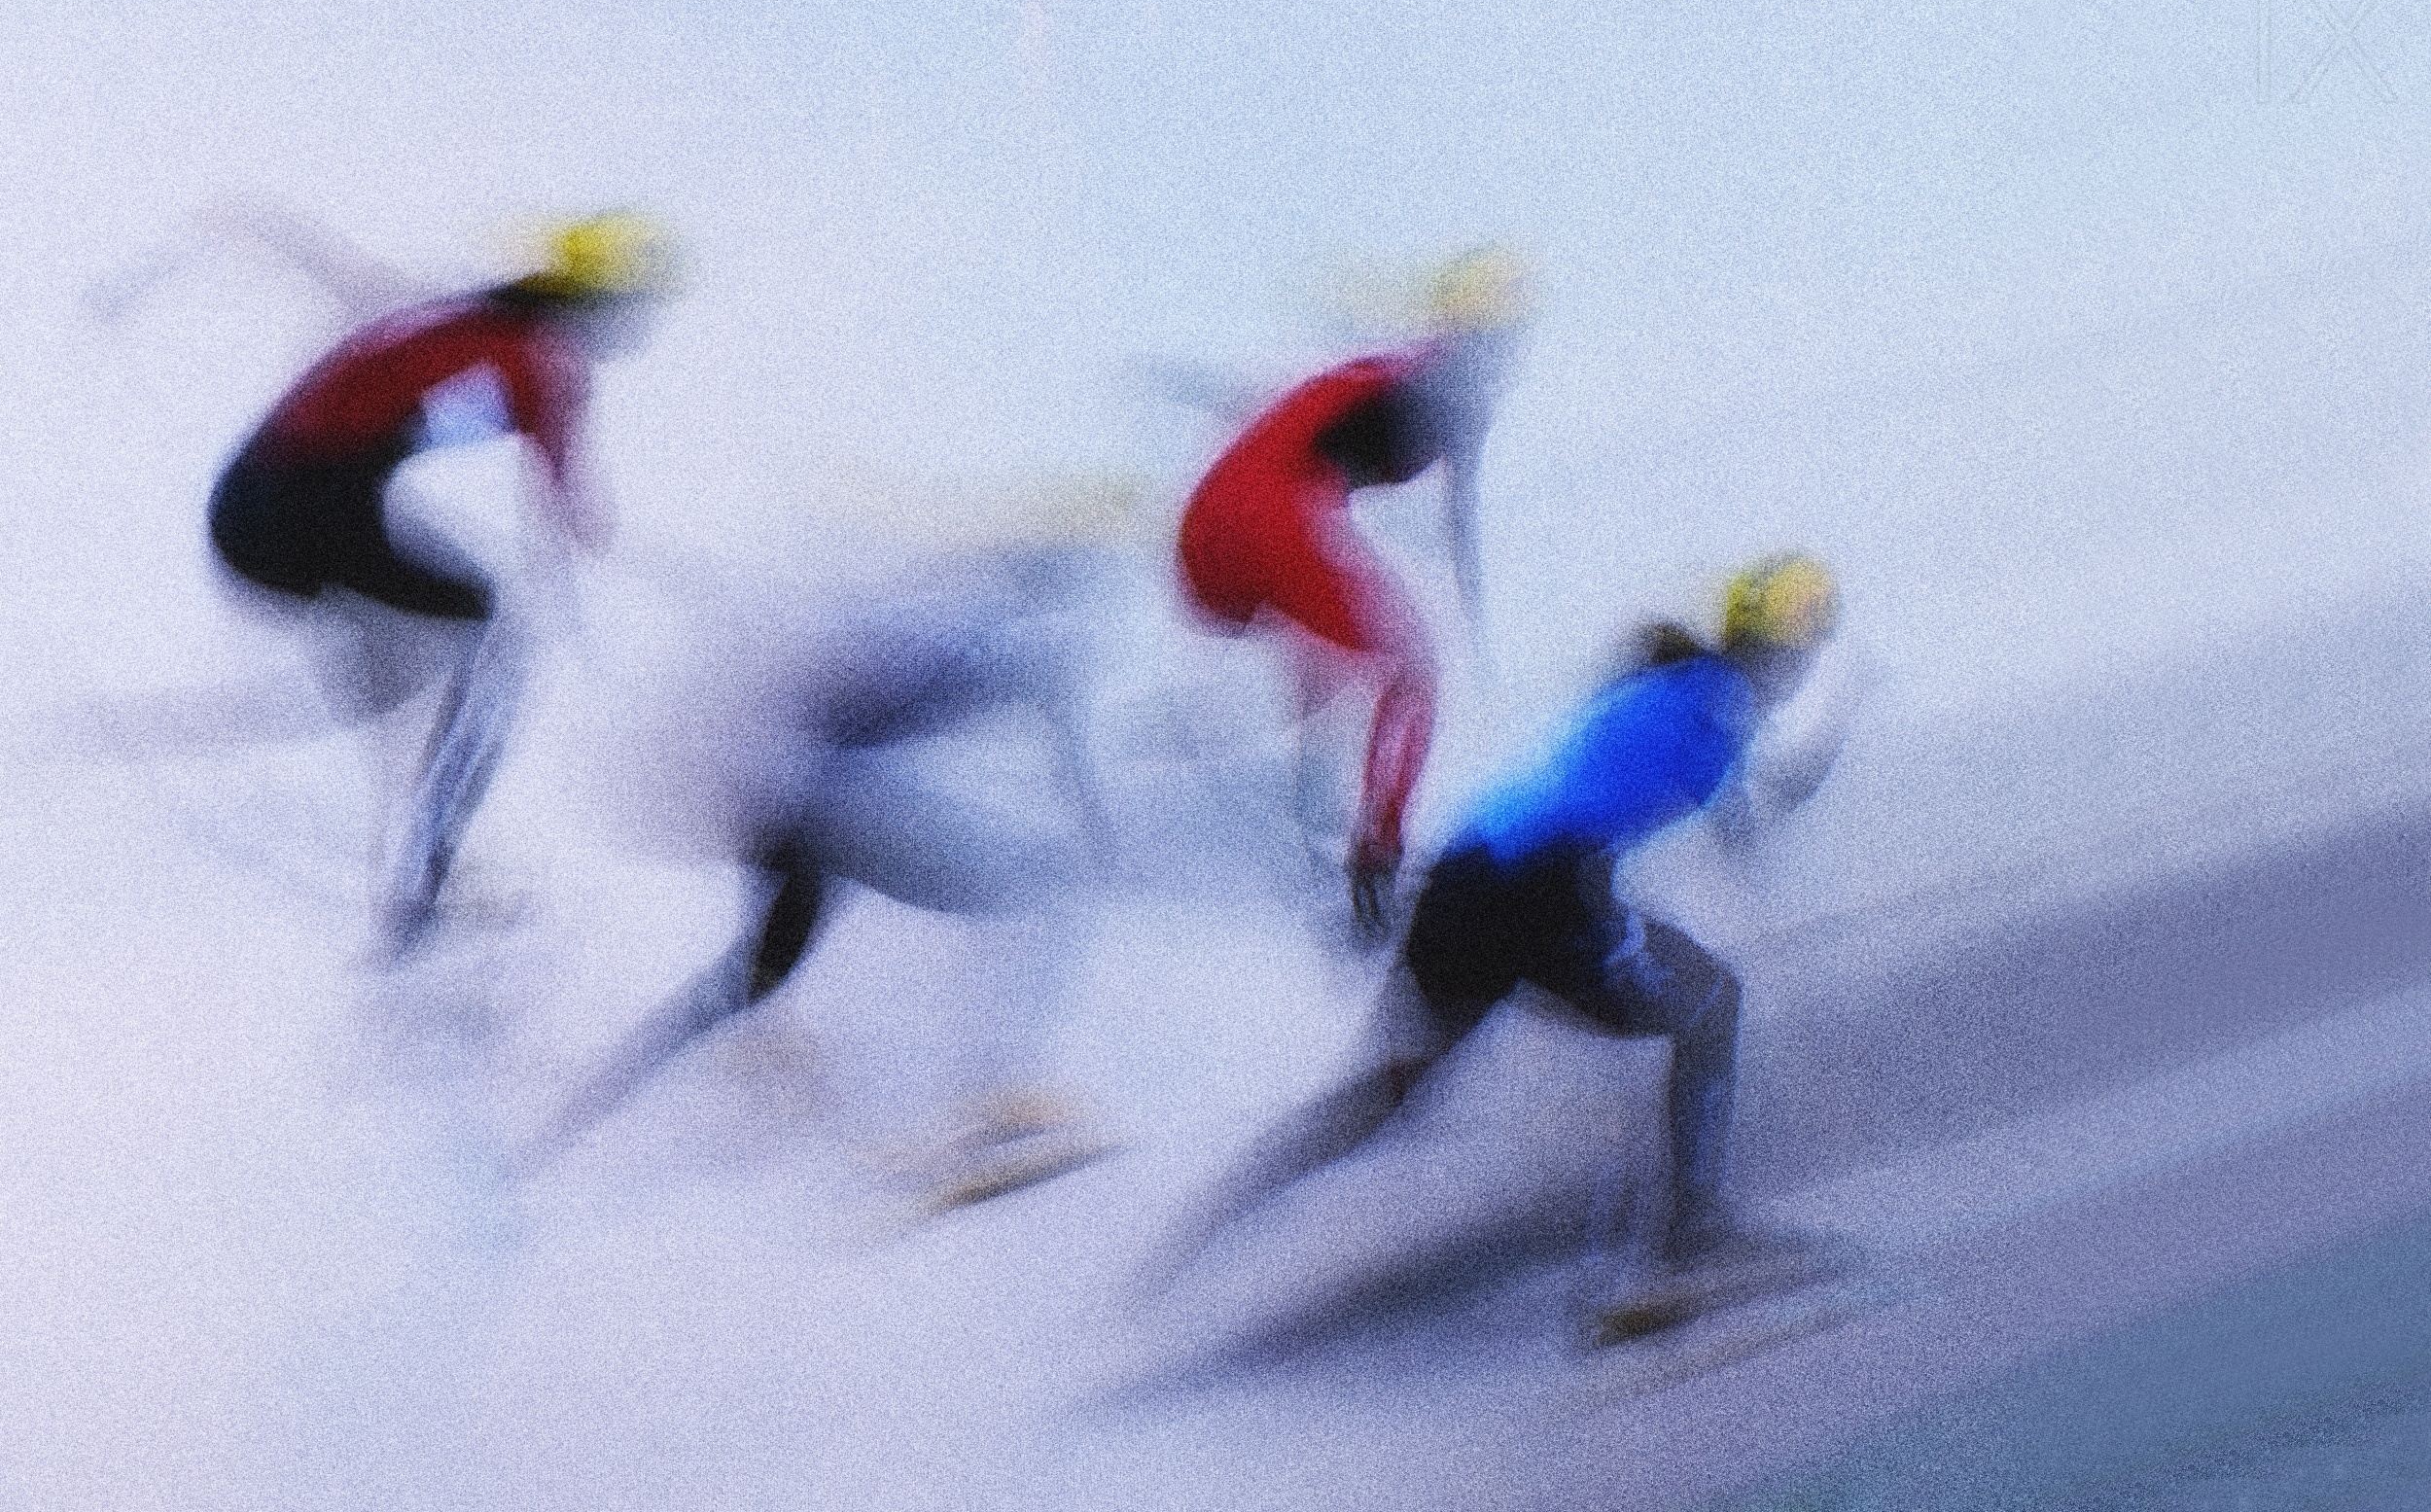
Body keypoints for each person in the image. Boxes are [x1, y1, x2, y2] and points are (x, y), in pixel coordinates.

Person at [1154, 553, 1851, 1287]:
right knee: (1709, 1006)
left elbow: (1609, 793)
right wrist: (1836, 730)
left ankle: (1202, 1232)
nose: (1803, 669)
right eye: (1803, 651)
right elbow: (1738, 827)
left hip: (1462, 878)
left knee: (1389, 1093)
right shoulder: (1712, 712)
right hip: (1538, 888)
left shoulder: (1677, 686)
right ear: (1775, 651)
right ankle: (1691, 1236)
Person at [511, 505, 1136, 1210]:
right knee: (1037, 892)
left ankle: (569, 1127)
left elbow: (850, 693)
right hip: (780, 784)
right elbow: (1006, 716)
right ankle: (983, 1111)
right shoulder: (990, 637)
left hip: (744, 781)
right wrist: (1096, 834)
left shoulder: (939, 604)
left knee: (760, 970)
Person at [206, 210, 675, 942]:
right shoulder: (544, 361)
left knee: (446, 632)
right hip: (296, 519)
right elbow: (569, 522)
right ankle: (422, 882)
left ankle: (399, 837)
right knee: (498, 645)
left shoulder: (472, 313)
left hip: (255, 498)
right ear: (603, 304)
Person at [1175, 249, 1527, 932]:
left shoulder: (1398, 370)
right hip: (1271, 511)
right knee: (1413, 673)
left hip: (1210, 533)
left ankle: (1295, 815)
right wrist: (1478, 627)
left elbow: (1298, 420)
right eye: (1507, 337)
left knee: (1331, 670)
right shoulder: (1449, 385)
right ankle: (1374, 863)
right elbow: (1458, 520)